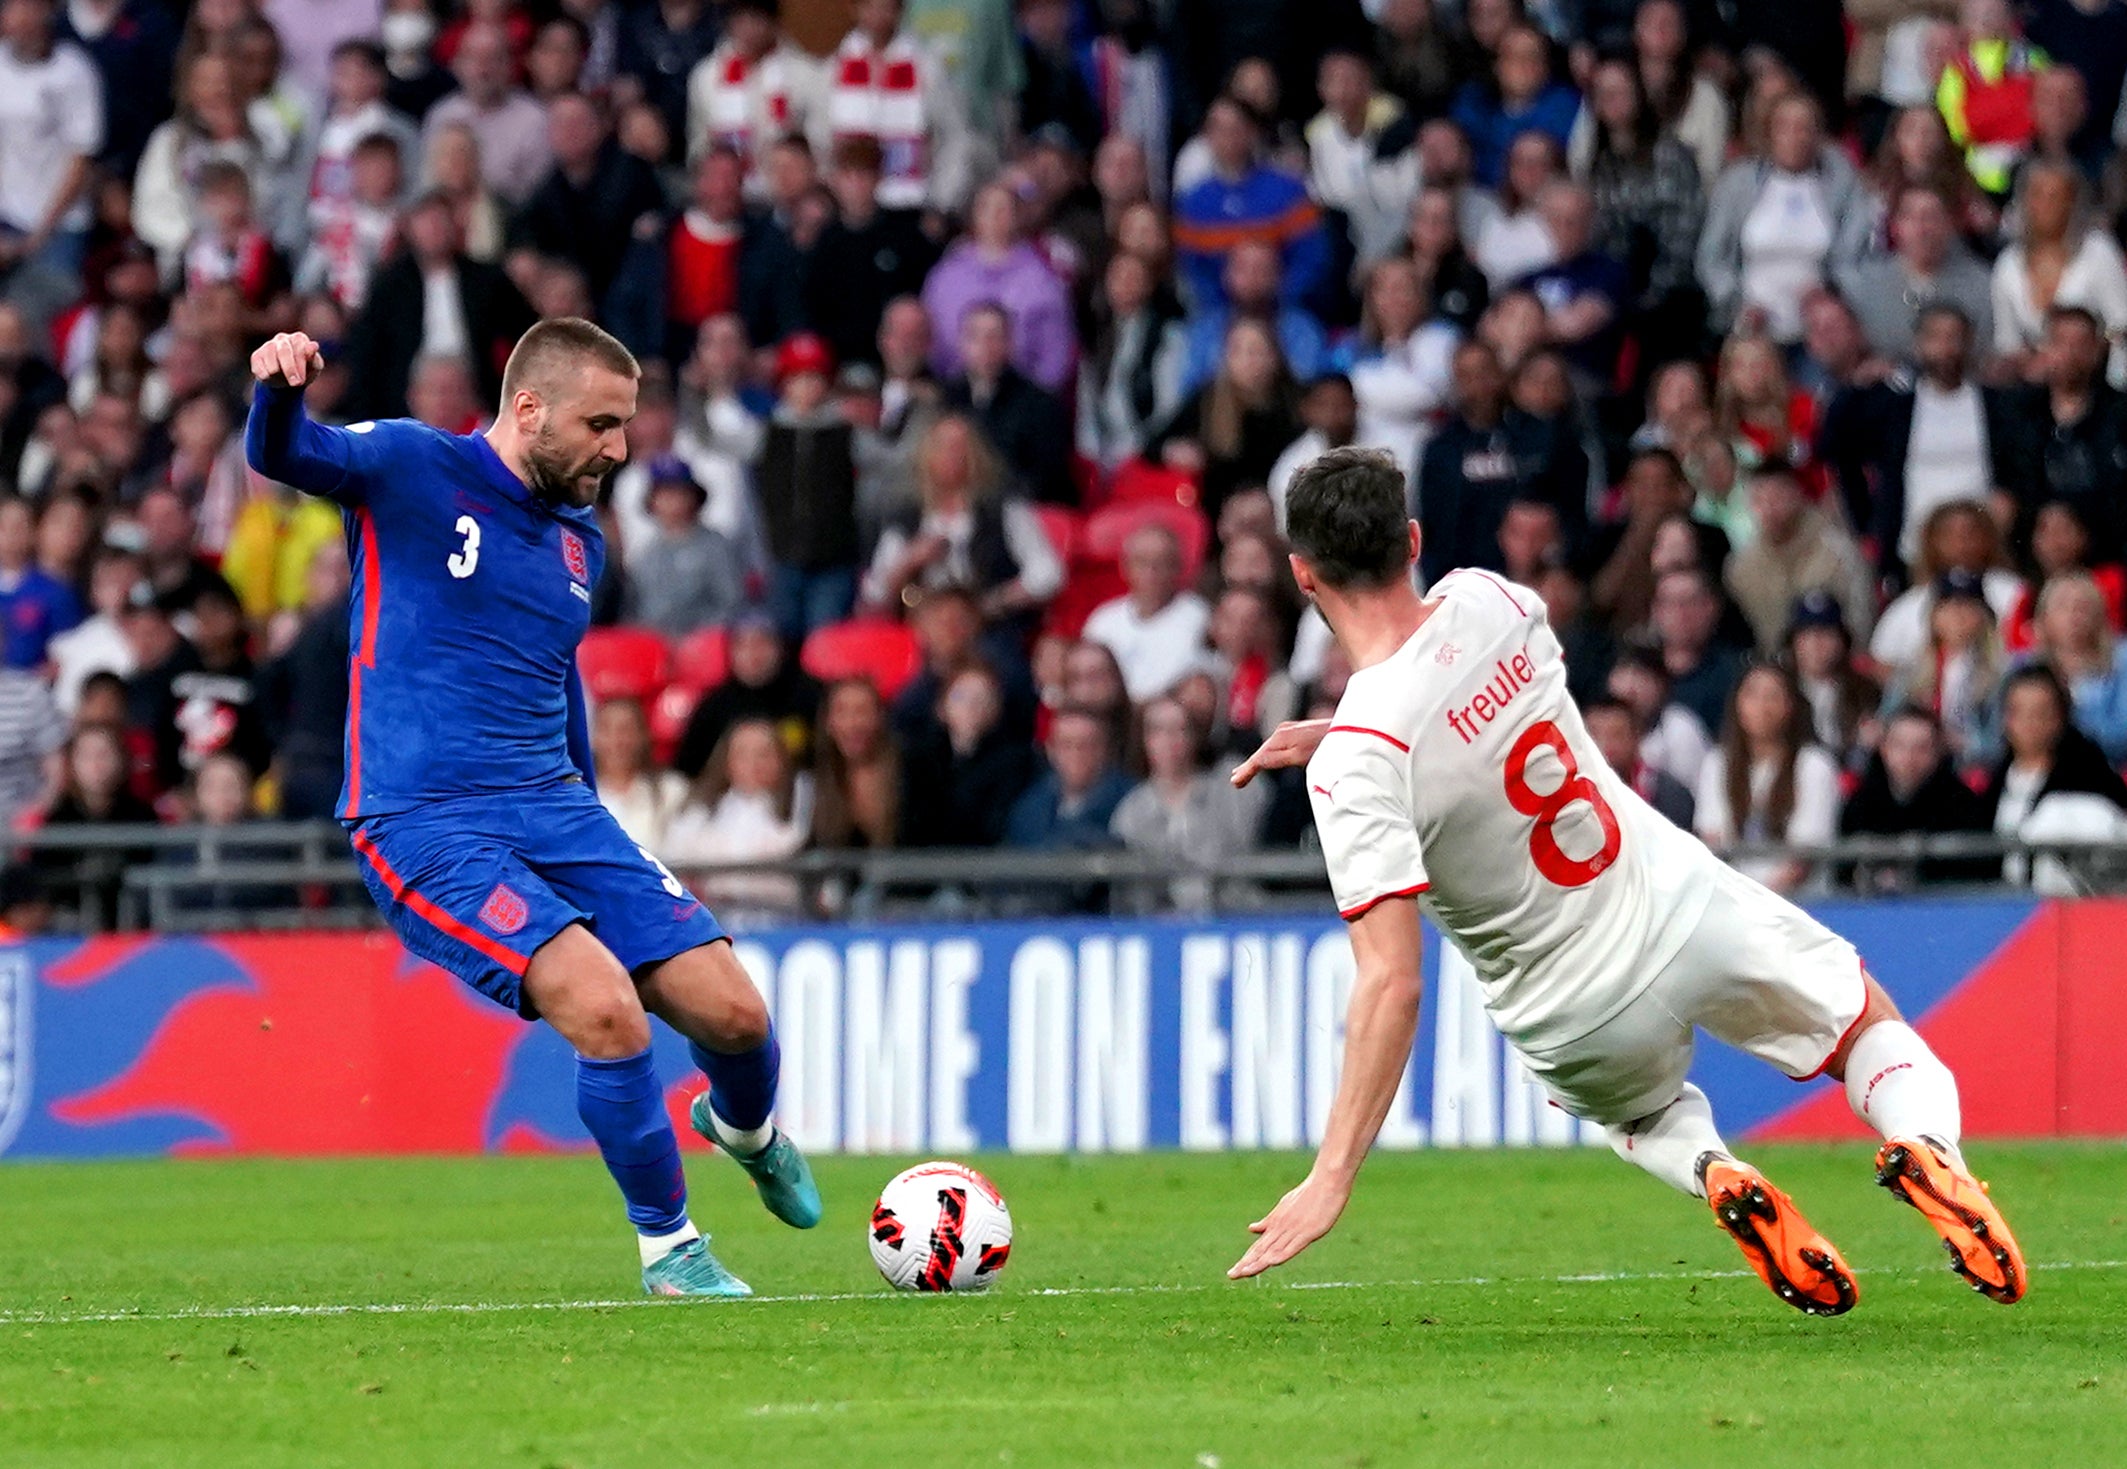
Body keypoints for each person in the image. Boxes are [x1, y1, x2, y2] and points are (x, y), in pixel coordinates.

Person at [1222, 445, 2027, 1316]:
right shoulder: (1491, 599)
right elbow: (1444, 696)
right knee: (1862, 1024)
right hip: (1680, 907)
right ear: (1411, 538)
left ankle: (1713, 1168)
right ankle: (1922, 1143)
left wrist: (1332, 1172)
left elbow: (1390, 977)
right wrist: (1342, 732)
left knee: (1640, 1118)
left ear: (1302, 574)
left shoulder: (1356, 765)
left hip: (1568, 1011)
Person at [243, 318, 820, 1298]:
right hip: (423, 819)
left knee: (736, 1013)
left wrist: (594, 824)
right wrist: (280, 384)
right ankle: (670, 1249)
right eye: (601, 422)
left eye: (626, 423)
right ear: (528, 407)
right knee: (605, 1009)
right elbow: (286, 450)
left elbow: (556, 688)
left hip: (553, 808)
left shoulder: (578, 541)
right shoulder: (410, 465)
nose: (619, 447)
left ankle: (747, 1130)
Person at [1109, 694, 1264, 914]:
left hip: (1231, 918)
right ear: (1144, 740)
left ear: (1194, 737)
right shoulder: (1131, 811)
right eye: (1158, 730)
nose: (1168, 740)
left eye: (1178, 729)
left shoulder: (1229, 792)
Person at [1981, 662, 2127, 886]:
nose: (2030, 723)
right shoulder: (1992, 788)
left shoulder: (2092, 780)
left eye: (2041, 712)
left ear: (2060, 717)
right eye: (2019, 712)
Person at [662, 715, 812, 918]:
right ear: (726, 762)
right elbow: (676, 860)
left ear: (781, 759)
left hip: (784, 919)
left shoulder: (802, 799)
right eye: (743, 754)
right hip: (717, 921)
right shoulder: (701, 811)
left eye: (764, 754)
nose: (754, 764)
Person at [1722, 461, 1875, 656]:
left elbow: (1861, 617)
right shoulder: (1740, 567)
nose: (1770, 508)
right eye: (1760, 500)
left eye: (1777, 497)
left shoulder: (1838, 552)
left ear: (1797, 494)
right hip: (1772, 673)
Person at [1839, 706, 1995, 893]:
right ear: (1884, 749)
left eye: (1921, 748)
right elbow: (1842, 873)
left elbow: (1973, 876)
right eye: (1899, 746)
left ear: (1938, 752)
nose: (1909, 758)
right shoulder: (1861, 804)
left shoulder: (1964, 807)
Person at [1082, 523, 1212, 702]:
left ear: (1178, 567)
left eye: (1161, 563)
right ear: (1125, 567)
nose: (1151, 572)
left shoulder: (1199, 617)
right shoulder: (1103, 620)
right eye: (1141, 562)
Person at [1005, 703, 1132, 850]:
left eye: (1087, 745)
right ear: (1050, 749)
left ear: (1106, 750)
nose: (1076, 754)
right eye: (1066, 745)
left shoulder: (1133, 805)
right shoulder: (1028, 809)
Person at [808, 676, 901, 851]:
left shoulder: (910, 775)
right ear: (828, 722)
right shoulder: (815, 783)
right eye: (841, 712)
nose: (852, 724)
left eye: (862, 711)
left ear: (880, 718)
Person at [1581, 692, 1693, 830]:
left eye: (1616, 735)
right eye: (1595, 735)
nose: (1605, 744)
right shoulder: (1564, 796)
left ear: (1637, 738)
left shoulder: (1670, 795)